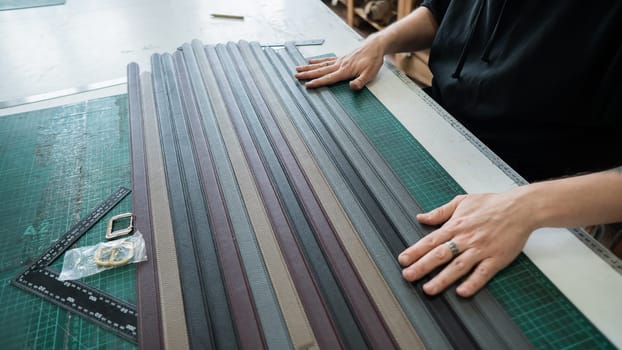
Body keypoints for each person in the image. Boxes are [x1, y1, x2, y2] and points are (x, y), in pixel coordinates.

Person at [295, 1, 622, 297]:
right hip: (447, 125)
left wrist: (527, 206)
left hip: (547, 184)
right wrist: (380, 41)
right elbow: (441, 11)